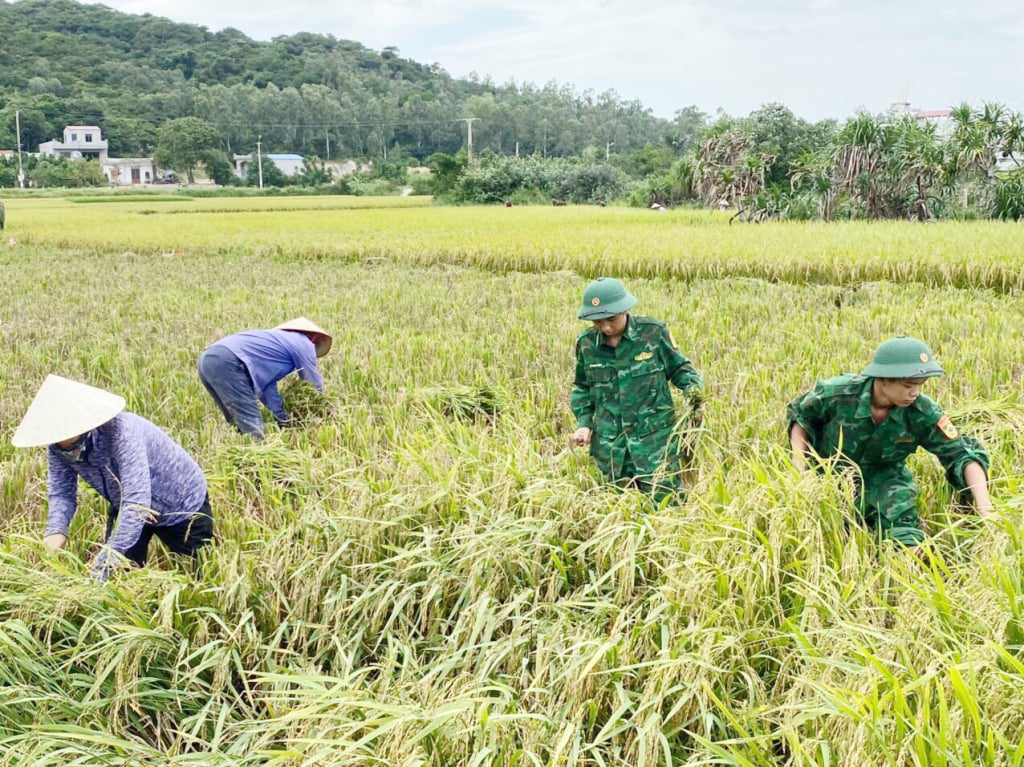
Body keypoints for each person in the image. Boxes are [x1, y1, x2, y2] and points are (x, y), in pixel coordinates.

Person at [787, 335, 994, 549]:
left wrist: (984, 506)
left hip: (886, 481)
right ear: (883, 379)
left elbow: (961, 454)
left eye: (920, 385)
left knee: (908, 544)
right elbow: (802, 417)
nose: (915, 393)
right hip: (830, 476)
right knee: (826, 539)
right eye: (908, 385)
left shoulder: (922, 412)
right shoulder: (837, 394)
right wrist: (799, 467)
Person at [12, 375, 213, 581]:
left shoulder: (122, 432)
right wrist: (56, 531)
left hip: (181, 503)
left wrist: (103, 565)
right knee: (119, 581)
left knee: (199, 577)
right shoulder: (57, 447)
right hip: (126, 502)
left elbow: (137, 504)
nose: (59, 440)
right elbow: (62, 493)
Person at [570, 277, 703, 503]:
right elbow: (582, 387)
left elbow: (680, 369)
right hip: (611, 450)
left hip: (655, 445)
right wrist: (584, 424)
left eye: (610, 319)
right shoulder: (586, 344)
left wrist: (694, 394)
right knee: (614, 511)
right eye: (598, 322)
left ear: (625, 310)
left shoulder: (653, 333)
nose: (605, 327)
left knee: (666, 507)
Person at [197, 317, 332, 440]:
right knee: (251, 423)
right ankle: (259, 459)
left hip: (208, 359)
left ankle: (241, 451)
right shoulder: (303, 342)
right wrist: (321, 410)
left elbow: (267, 389)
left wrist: (283, 418)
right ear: (314, 339)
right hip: (228, 361)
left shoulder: (275, 346)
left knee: (236, 419)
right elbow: (312, 382)